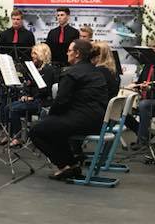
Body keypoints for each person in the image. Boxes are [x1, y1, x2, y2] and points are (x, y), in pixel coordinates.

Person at [29, 39, 109, 180]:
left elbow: (61, 102)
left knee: (36, 130)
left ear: (77, 54)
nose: (67, 53)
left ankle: (63, 165)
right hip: (98, 121)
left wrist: (50, 116)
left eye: (69, 50)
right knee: (55, 127)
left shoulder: (72, 73)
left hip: (82, 121)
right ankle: (72, 164)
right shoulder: (96, 72)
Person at [0, 43, 55, 147]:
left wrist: (32, 97)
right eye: (32, 53)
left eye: (35, 53)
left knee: (13, 109)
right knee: (7, 107)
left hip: (41, 101)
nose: (32, 56)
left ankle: (18, 137)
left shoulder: (49, 70)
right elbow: (28, 86)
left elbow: (45, 90)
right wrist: (25, 94)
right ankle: (11, 134)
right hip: (32, 100)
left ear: (43, 54)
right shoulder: (33, 69)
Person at [128, 41, 155, 148]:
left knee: (144, 105)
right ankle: (143, 134)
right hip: (145, 98)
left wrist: (150, 88)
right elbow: (141, 81)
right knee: (123, 108)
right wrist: (135, 85)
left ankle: (142, 140)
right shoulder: (148, 66)